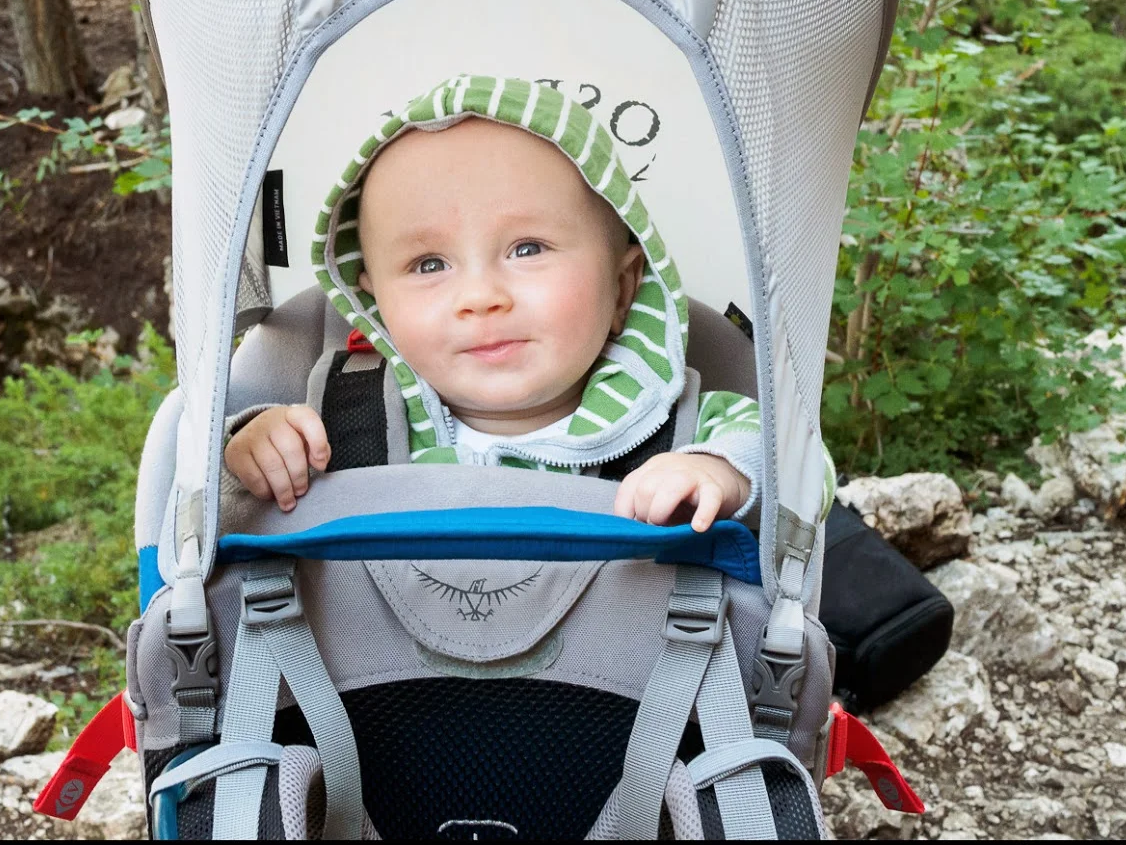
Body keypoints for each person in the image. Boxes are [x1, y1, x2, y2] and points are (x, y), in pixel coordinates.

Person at [224, 74, 762, 532]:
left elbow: (777, 457)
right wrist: (255, 450)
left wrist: (718, 473)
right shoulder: (330, 425)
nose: (480, 298)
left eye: (528, 249)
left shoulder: (677, 424)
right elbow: (224, 513)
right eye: (429, 264)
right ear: (377, 305)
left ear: (622, 290)